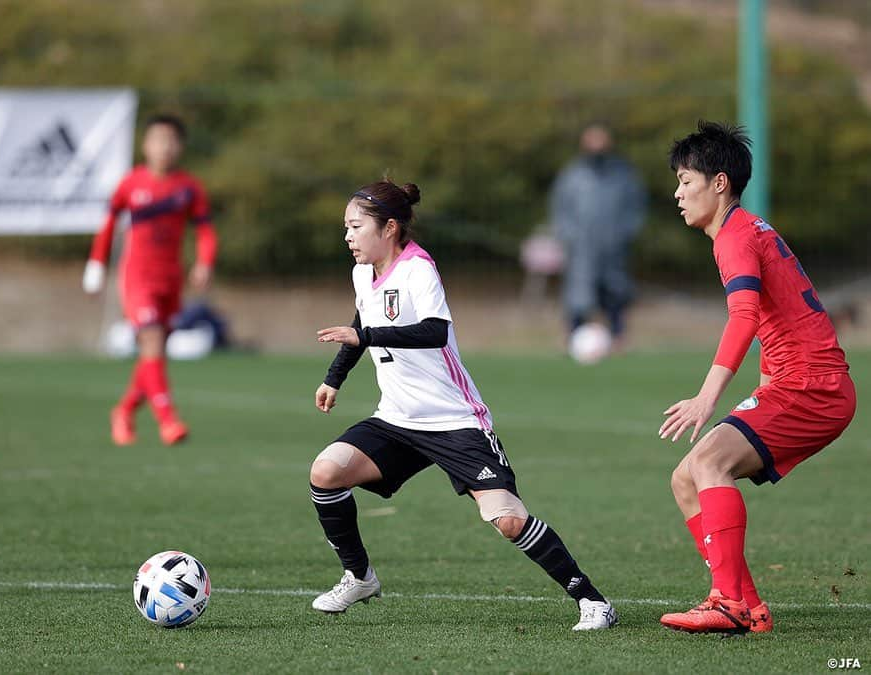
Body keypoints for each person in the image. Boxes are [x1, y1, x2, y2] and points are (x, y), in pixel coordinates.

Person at [309, 179, 617, 631]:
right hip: (396, 419)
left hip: (456, 422)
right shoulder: (362, 273)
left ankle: (593, 601)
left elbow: (433, 330)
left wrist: (366, 337)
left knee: (507, 520)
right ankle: (359, 577)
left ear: (389, 228)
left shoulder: (418, 270)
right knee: (326, 472)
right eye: (346, 228)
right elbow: (362, 324)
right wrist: (333, 378)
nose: (348, 236)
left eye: (356, 226)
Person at [658, 121, 855, 634]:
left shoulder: (734, 238)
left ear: (718, 183)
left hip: (813, 387)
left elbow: (744, 316)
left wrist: (708, 397)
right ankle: (749, 606)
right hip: (806, 383)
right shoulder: (748, 228)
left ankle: (726, 603)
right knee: (685, 478)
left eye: (685, 181)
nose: (677, 194)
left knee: (708, 460)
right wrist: (767, 380)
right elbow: (783, 314)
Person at [82, 113, 218, 446]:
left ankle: (124, 410)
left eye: (171, 141)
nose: (164, 148)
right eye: (157, 140)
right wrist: (96, 263)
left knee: (153, 355)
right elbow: (108, 224)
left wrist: (204, 262)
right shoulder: (131, 184)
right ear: (145, 145)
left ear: (180, 147)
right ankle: (168, 421)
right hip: (137, 276)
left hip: (170, 279)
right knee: (153, 342)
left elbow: (205, 231)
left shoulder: (188, 188)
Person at [549, 123, 646, 352]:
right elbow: (560, 209)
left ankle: (618, 339)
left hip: (614, 249)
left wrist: (624, 234)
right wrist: (569, 236)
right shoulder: (572, 175)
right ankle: (572, 338)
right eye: (592, 140)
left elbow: (636, 208)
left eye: (601, 140)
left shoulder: (624, 175)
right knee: (578, 295)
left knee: (615, 293)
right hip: (581, 249)